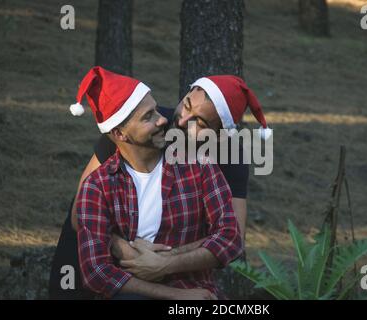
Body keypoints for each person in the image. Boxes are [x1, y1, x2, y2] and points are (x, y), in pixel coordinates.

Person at [49, 74, 271, 299]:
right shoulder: (140, 124)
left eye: (200, 123)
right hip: (94, 255)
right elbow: (81, 213)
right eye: (186, 105)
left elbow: (233, 237)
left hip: (172, 275)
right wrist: (124, 248)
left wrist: (165, 261)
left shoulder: (224, 157)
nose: (182, 120)